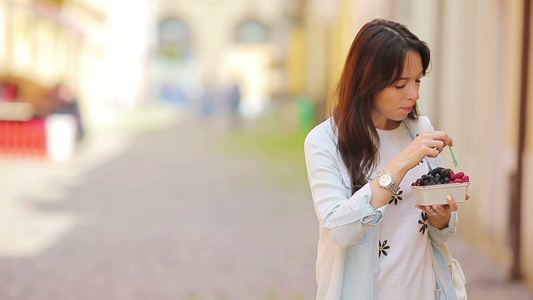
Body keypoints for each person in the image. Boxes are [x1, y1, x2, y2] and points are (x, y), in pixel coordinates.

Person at [304, 19, 466, 300]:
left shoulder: (420, 129)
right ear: (367, 81)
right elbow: (340, 230)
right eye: (401, 84)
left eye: (417, 81)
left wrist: (441, 218)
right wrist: (402, 162)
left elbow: (437, 235)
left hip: (428, 290)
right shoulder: (325, 141)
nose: (413, 94)